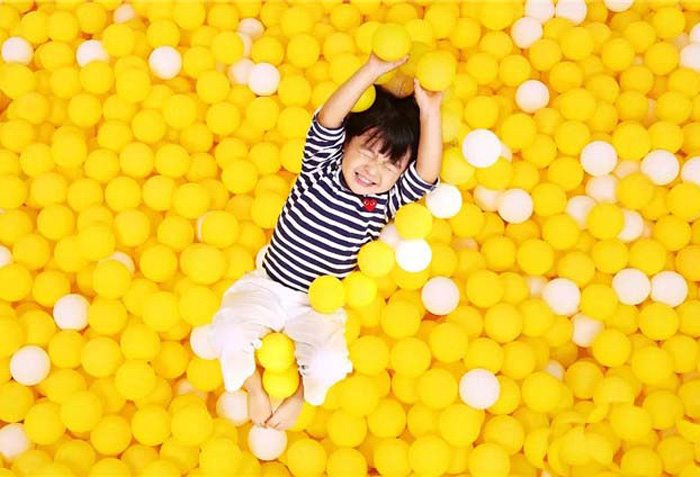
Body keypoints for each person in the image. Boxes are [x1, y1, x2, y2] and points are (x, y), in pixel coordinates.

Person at [208, 53, 445, 430]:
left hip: (317, 306)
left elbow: (426, 175)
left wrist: (431, 114)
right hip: (268, 285)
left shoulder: (384, 201)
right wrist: (371, 69)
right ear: (346, 143)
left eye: (389, 165)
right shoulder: (320, 167)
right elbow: (328, 120)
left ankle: (299, 396)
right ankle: (253, 387)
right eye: (367, 152)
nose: (373, 169)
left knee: (330, 362)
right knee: (227, 329)